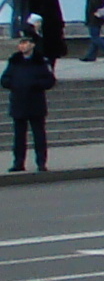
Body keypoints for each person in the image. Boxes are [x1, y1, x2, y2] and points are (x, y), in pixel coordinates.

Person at [4, 31, 53, 174]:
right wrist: (14, 84)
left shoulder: (40, 61)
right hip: (19, 102)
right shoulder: (14, 61)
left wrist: (35, 84)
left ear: (32, 45)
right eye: (21, 43)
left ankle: (41, 162)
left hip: (35, 103)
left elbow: (49, 80)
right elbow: (5, 79)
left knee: (38, 135)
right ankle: (18, 162)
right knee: (19, 136)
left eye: (25, 43)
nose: (22, 46)